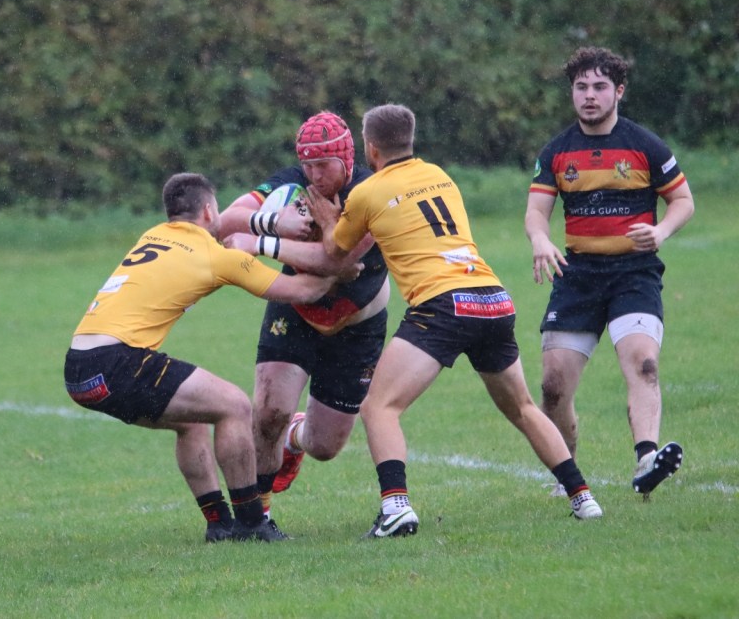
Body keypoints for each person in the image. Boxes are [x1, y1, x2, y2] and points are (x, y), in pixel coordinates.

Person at [307, 103, 603, 538]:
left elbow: (335, 251)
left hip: (442, 304)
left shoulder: (367, 192)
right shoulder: (440, 175)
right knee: (522, 407)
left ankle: (395, 507)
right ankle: (583, 497)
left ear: (370, 148)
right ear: (410, 140)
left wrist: (327, 219)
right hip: (491, 297)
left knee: (379, 406)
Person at [64, 173, 343, 543]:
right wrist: (342, 265)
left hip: (79, 368)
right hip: (119, 361)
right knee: (234, 406)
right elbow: (302, 291)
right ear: (210, 211)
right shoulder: (215, 257)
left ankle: (219, 525)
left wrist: (266, 231)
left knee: (193, 421)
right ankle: (251, 523)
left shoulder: (152, 235)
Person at [525, 46, 695, 497]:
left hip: (633, 273)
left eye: (600, 86)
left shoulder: (645, 145)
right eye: (581, 87)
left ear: (619, 91)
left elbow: (683, 201)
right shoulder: (557, 151)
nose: (589, 95)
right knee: (553, 387)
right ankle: (568, 473)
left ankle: (646, 460)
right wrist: (540, 239)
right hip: (577, 276)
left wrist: (660, 231)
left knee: (643, 362)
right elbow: (537, 212)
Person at [218, 111, 389, 526]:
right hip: (295, 309)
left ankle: (296, 437)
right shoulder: (291, 182)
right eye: (307, 165)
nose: (314, 175)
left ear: (346, 159)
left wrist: (260, 244)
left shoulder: (370, 192)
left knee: (324, 446)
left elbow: (336, 260)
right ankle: (258, 518)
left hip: (357, 326)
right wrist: (272, 221)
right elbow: (225, 220)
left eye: (323, 165)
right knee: (269, 412)